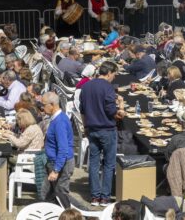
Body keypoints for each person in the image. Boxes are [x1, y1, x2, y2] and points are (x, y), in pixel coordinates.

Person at [79, 61, 125, 206]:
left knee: (93, 163)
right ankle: (105, 197)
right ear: (110, 72)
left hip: (92, 129)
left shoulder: (86, 86)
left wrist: (85, 127)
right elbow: (113, 112)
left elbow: (82, 110)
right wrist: (121, 107)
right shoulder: (108, 87)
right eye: (114, 75)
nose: (114, 77)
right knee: (109, 164)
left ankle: (94, 197)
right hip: (107, 130)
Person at [42, 92, 75, 197]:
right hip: (56, 161)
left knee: (62, 196)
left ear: (52, 105)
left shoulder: (59, 122)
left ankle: (71, 213)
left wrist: (56, 170)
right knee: (54, 195)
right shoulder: (57, 118)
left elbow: (63, 149)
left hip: (61, 164)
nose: (42, 108)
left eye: (44, 105)